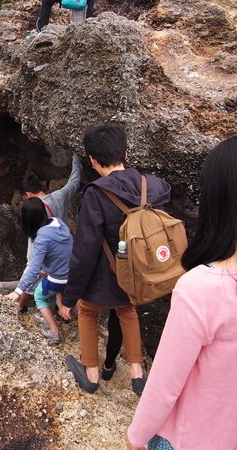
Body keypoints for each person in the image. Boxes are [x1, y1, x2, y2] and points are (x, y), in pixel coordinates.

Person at [126, 135, 237, 450]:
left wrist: (136, 437)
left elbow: (166, 385)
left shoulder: (201, 288)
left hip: (190, 439)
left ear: (216, 199)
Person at [59, 123, 171, 395]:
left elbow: (84, 251)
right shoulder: (154, 186)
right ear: (127, 154)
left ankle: (92, 376)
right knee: (128, 311)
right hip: (138, 275)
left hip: (102, 277)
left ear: (93, 160)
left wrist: (69, 297)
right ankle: (137, 375)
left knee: (87, 312)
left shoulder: (96, 194)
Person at [15, 155, 84, 312]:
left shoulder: (34, 211)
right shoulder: (59, 196)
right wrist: (76, 158)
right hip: (64, 248)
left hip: (47, 254)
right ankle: (62, 309)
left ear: (28, 194)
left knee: (39, 283)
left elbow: (33, 254)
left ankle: (20, 307)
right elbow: (74, 182)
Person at [7, 198, 73, 344]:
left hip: (58, 278)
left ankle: (54, 331)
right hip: (70, 274)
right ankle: (46, 317)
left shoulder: (42, 237)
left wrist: (18, 291)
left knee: (39, 296)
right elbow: (60, 252)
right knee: (48, 293)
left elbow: (33, 267)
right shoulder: (58, 223)